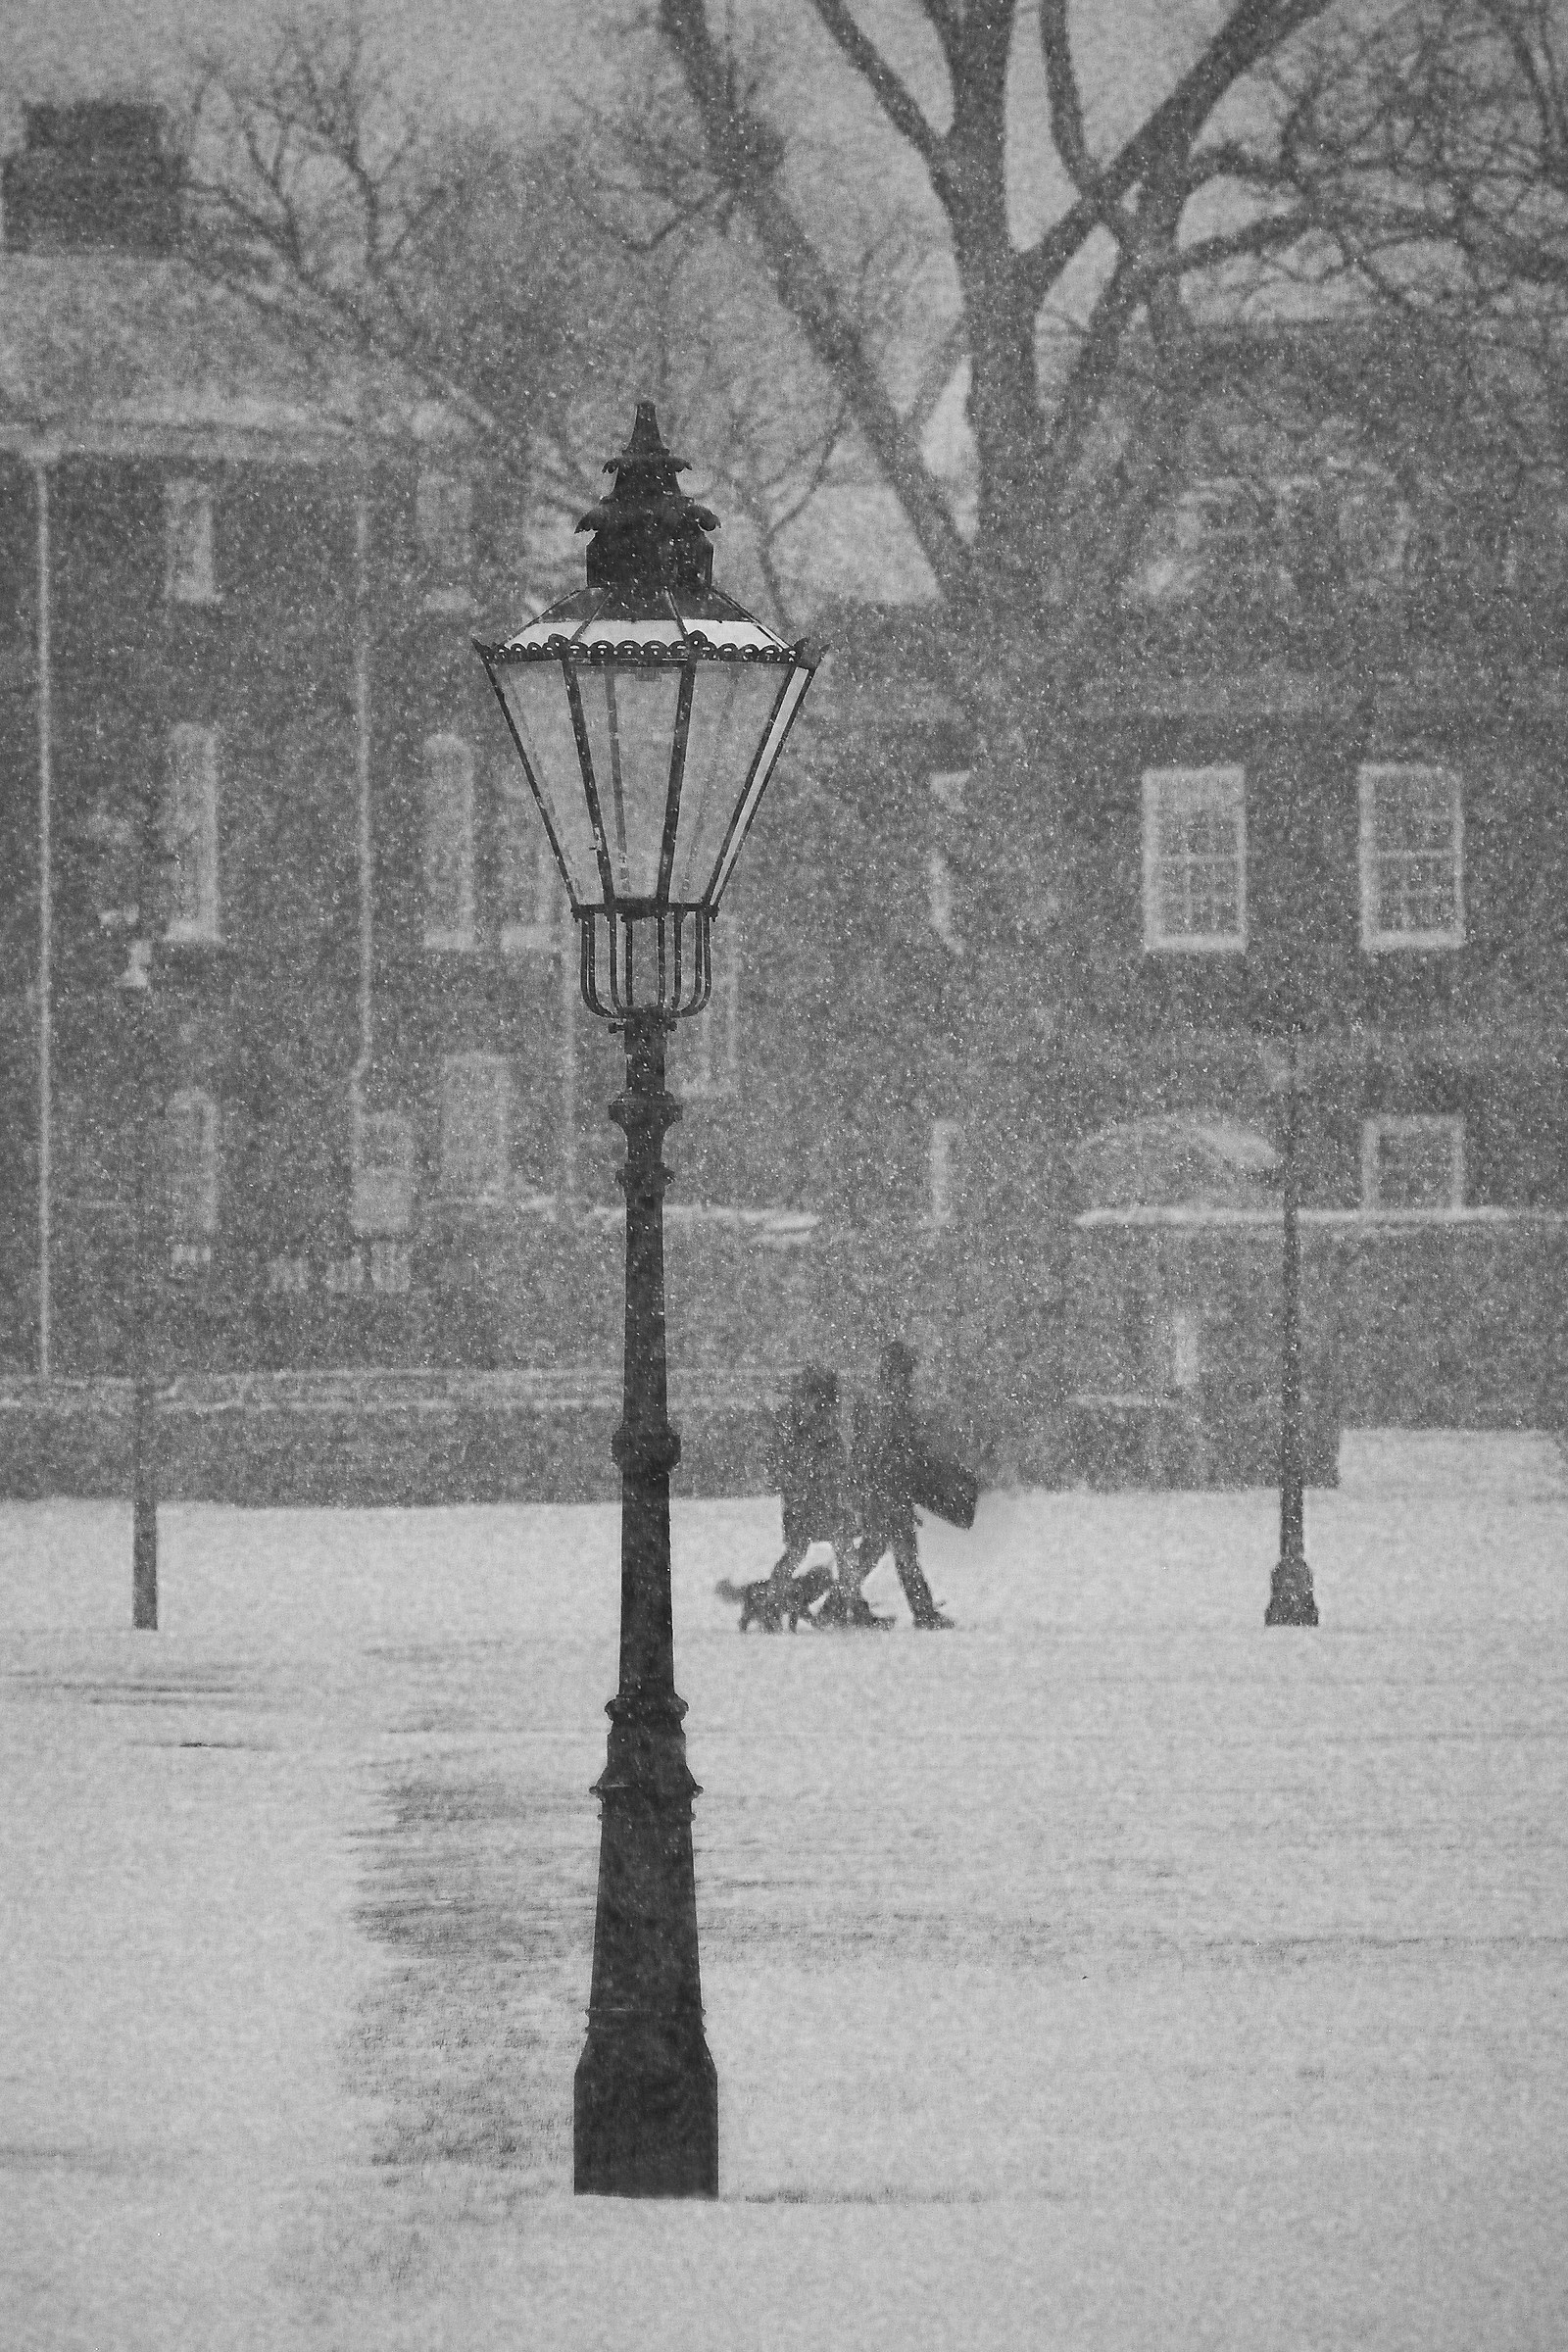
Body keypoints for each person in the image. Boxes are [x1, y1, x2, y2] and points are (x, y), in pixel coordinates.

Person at [848, 1341, 953, 1629]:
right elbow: (880, 1451)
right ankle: (923, 1613)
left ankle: (838, 1603)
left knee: (877, 1549)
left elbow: (886, 1450)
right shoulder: (887, 1406)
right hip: (887, 1492)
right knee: (899, 1552)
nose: (908, 1379)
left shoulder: (889, 1403)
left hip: (887, 1491)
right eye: (905, 1373)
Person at [753, 1365, 856, 1632]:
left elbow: (796, 1456)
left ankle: (775, 1605)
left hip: (813, 1495)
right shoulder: (809, 1419)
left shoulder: (800, 1417)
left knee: (804, 1551)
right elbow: (819, 1454)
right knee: (837, 1551)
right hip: (817, 1495)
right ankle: (836, 1607)